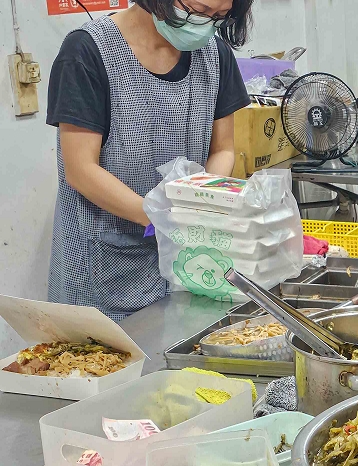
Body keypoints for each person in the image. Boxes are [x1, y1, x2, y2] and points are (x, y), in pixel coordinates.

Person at [46, 0, 253, 321]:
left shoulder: (215, 55)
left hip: (184, 265)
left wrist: (203, 201)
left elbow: (223, 149)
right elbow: (80, 169)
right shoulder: (87, 52)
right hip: (100, 272)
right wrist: (161, 218)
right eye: (199, 10)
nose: (207, 24)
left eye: (219, 17)